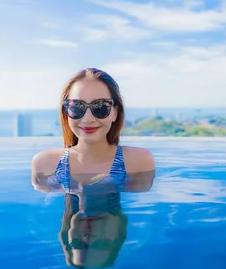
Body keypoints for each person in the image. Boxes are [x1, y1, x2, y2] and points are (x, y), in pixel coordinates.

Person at [31, 66, 156, 195]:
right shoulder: (44, 164)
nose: (88, 119)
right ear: (66, 112)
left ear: (115, 112)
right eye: (77, 107)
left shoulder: (139, 162)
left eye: (100, 107)